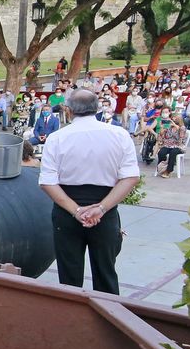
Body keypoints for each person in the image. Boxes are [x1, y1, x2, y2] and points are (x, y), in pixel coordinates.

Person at [38, 89, 140, 295]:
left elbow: (48, 182)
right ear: (98, 108)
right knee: (106, 273)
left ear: (68, 110)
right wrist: (101, 209)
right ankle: (110, 319)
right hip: (105, 209)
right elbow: (130, 177)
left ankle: (70, 320)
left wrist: (77, 211)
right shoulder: (119, 135)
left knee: (69, 276)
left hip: (68, 209)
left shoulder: (57, 138)